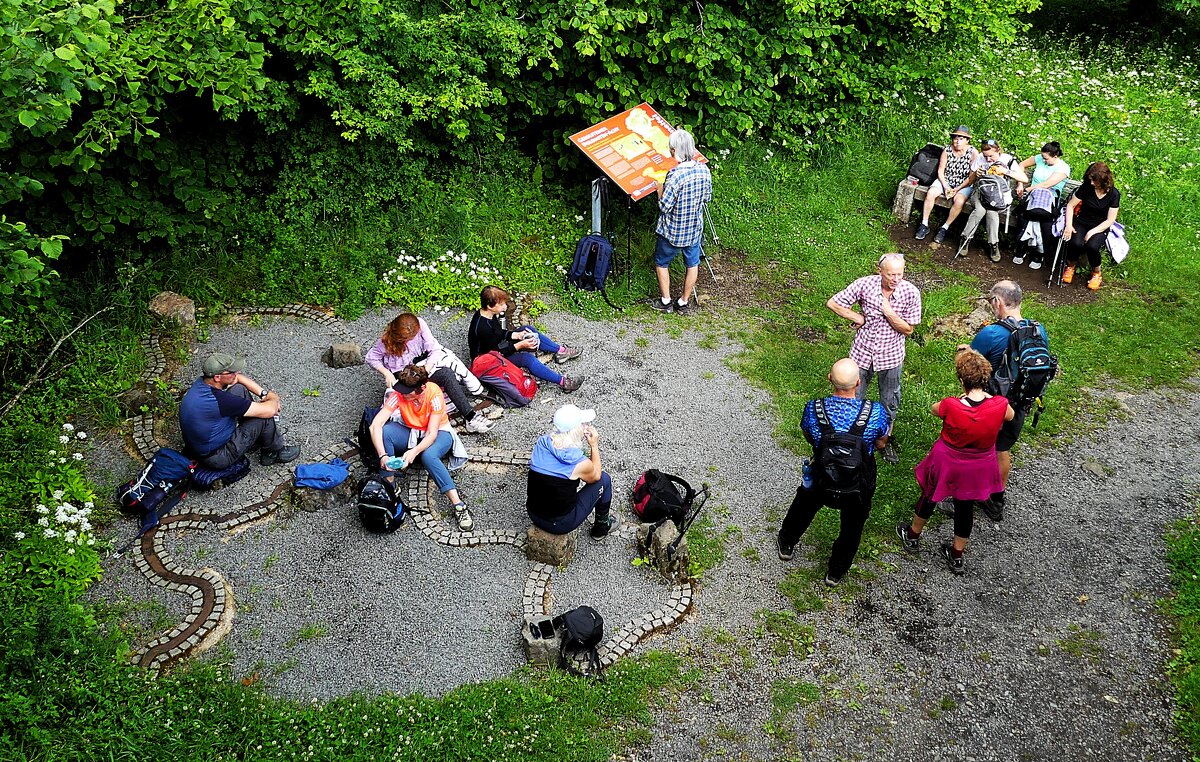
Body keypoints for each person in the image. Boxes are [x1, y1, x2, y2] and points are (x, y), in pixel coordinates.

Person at [895, 348, 1014, 575]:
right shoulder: (1000, 404)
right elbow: (1009, 416)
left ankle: (912, 535)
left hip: (948, 460)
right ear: (986, 378)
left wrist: (958, 401)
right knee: (965, 506)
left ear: (962, 380)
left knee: (930, 494)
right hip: (978, 464)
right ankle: (956, 554)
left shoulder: (952, 404)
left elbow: (935, 410)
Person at [777, 359, 891, 586]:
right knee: (853, 524)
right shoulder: (875, 412)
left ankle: (787, 542)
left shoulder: (814, 409)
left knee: (804, 504)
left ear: (830, 379)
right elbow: (881, 443)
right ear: (858, 383)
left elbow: (808, 435)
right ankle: (835, 572)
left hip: (822, 475)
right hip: (858, 481)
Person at [826, 253, 922, 463]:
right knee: (852, 396)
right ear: (880, 271)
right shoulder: (865, 285)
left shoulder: (911, 293)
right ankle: (850, 440)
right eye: (891, 275)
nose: (896, 279)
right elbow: (833, 303)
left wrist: (888, 312)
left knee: (890, 400)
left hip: (891, 354)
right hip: (862, 351)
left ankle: (883, 442)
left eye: (900, 273)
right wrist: (855, 316)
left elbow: (908, 329)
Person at [966, 280, 1049, 520]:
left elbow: (970, 364)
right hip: (1021, 401)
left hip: (991, 404)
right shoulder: (1037, 329)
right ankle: (996, 499)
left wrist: (964, 351)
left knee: (976, 451)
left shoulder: (991, 333)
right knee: (1002, 449)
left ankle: (966, 498)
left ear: (998, 302)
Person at [368, 365, 474, 531]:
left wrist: (413, 452)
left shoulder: (433, 394)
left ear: (421, 388)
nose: (401, 393)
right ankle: (390, 486)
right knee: (385, 432)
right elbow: (375, 426)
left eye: (406, 391)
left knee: (428, 455)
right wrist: (383, 456)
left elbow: (431, 434)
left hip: (440, 432)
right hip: (412, 431)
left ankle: (459, 505)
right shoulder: (399, 394)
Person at [366, 312, 494, 434]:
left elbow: (434, 349)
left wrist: (425, 371)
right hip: (403, 376)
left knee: (447, 374)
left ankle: (470, 416)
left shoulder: (420, 324)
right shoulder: (385, 341)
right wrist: (386, 373)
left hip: (421, 367)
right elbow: (371, 358)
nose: (410, 340)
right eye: (407, 339)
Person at [180, 352, 300, 468]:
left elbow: (238, 379)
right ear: (217, 377)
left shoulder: (203, 383)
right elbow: (270, 410)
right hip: (217, 456)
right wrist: (273, 397)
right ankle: (273, 453)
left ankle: (257, 439)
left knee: (238, 389)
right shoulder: (220, 401)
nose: (236, 373)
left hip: (200, 446)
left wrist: (263, 394)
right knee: (263, 418)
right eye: (231, 372)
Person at [468, 286, 583, 392]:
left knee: (527, 329)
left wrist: (516, 335)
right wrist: (519, 345)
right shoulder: (483, 328)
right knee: (527, 359)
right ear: (490, 306)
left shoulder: (487, 314)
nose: (505, 306)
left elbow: (498, 333)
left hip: (495, 348)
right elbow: (496, 354)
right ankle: (564, 382)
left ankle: (561, 351)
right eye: (502, 304)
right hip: (487, 361)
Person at [526, 404, 615, 539]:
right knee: (605, 479)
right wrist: (594, 445)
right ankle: (601, 527)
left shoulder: (542, 443)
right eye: (584, 424)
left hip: (533, 513)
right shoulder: (578, 463)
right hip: (560, 523)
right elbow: (596, 476)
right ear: (576, 430)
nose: (587, 426)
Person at [651, 128, 712, 314]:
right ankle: (684, 302)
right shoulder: (704, 169)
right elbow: (707, 197)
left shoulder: (675, 176)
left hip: (672, 232)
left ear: (673, 151)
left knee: (661, 262)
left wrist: (659, 189)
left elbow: (664, 206)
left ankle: (666, 300)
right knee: (692, 264)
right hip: (694, 229)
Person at [956, 138, 1029, 262]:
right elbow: (971, 180)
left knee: (992, 212)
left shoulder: (1008, 160)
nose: (988, 159)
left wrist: (1006, 171)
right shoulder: (980, 158)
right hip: (980, 192)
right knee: (979, 210)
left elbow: (1024, 179)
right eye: (986, 156)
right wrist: (976, 174)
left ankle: (993, 244)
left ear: (998, 151)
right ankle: (965, 238)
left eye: (991, 156)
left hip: (998, 195)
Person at [915, 125, 978, 244]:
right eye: (956, 138)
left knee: (959, 201)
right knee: (931, 193)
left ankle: (944, 227)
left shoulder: (973, 153)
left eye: (961, 138)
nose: (958, 141)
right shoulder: (947, 150)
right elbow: (940, 170)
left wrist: (956, 189)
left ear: (967, 140)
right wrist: (946, 186)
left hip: (964, 183)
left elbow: (971, 177)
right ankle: (924, 223)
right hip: (946, 180)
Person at [1013, 141, 1071, 269]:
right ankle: (1021, 247)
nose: (1043, 161)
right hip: (1033, 197)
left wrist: (1028, 189)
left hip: (1050, 199)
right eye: (1042, 158)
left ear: (1055, 156)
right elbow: (1021, 165)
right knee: (1024, 216)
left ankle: (1039, 253)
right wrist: (1020, 183)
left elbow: (1047, 184)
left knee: (1044, 221)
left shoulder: (1063, 168)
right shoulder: (1039, 158)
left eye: (1046, 159)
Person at [1063, 161, 1120, 290]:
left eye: (1095, 181)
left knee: (1092, 246)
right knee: (1076, 242)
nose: (1092, 183)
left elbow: (1110, 220)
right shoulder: (1086, 188)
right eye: (1091, 180)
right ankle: (1071, 266)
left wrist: (1092, 232)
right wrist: (1068, 224)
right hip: (1082, 221)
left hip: (1101, 225)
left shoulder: (1114, 194)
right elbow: (1071, 205)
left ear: (1103, 181)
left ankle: (1096, 273)